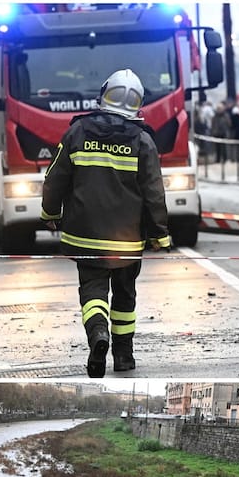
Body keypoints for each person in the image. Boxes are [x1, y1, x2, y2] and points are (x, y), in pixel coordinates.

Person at [40, 69, 170, 378]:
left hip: (85, 237)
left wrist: (49, 213)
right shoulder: (142, 141)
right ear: (138, 104)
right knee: (125, 296)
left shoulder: (77, 132)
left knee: (93, 291)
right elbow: (154, 192)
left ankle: (98, 335)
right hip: (127, 241)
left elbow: (54, 178)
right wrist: (159, 234)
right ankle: (123, 357)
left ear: (103, 95)